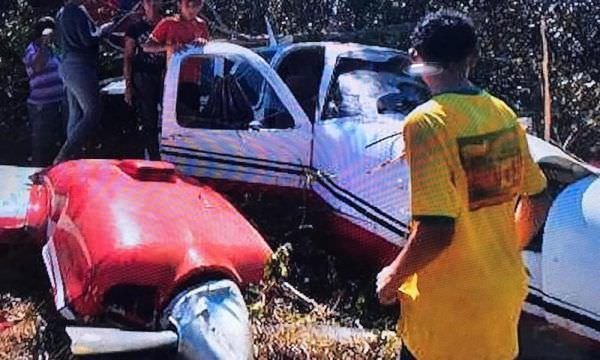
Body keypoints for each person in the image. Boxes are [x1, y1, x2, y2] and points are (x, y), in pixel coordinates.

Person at [375, 10, 552, 359]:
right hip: (501, 296)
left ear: (416, 57)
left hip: (449, 307)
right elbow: (539, 197)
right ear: (472, 58)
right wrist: (500, 251)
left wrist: (391, 279)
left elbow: (438, 229)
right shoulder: (502, 113)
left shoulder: (427, 122)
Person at [54, 0, 113, 163]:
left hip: (67, 65)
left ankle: (71, 159)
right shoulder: (77, 11)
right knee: (93, 111)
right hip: (80, 66)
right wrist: (104, 30)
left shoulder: (62, 12)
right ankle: (64, 155)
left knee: (76, 114)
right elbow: (88, 39)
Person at [143, 0, 209, 115]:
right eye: (188, 5)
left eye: (196, 5)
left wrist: (203, 43)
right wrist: (168, 47)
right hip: (173, 79)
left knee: (191, 120)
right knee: (171, 119)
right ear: (179, 4)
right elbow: (147, 47)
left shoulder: (201, 25)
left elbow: (207, 52)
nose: (191, 9)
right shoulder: (168, 23)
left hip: (192, 81)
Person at [123, 0, 165, 160]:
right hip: (143, 77)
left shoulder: (167, 24)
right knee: (149, 119)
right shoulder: (135, 28)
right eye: (149, 3)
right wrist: (128, 86)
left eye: (156, 3)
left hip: (164, 75)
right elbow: (128, 57)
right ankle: (154, 158)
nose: (152, 6)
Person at [22, 17, 66, 166]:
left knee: (61, 144)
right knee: (42, 146)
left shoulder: (55, 48)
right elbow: (37, 67)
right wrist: (43, 45)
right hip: (42, 106)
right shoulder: (32, 49)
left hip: (60, 102)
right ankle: (36, 176)